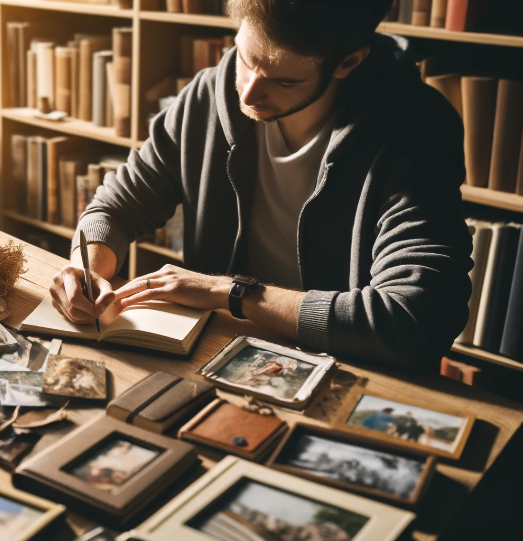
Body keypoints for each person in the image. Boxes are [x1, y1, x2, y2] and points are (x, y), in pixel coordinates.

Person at [49, 0, 471, 369]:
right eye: (246, 59)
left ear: (348, 63)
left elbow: (416, 318)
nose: (249, 94)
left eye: (284, 81)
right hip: (215, 351)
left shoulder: (417, 129)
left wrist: (230, 292)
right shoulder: (208, 95)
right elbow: (116, 206)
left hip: (347, 369)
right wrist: (86, 270)